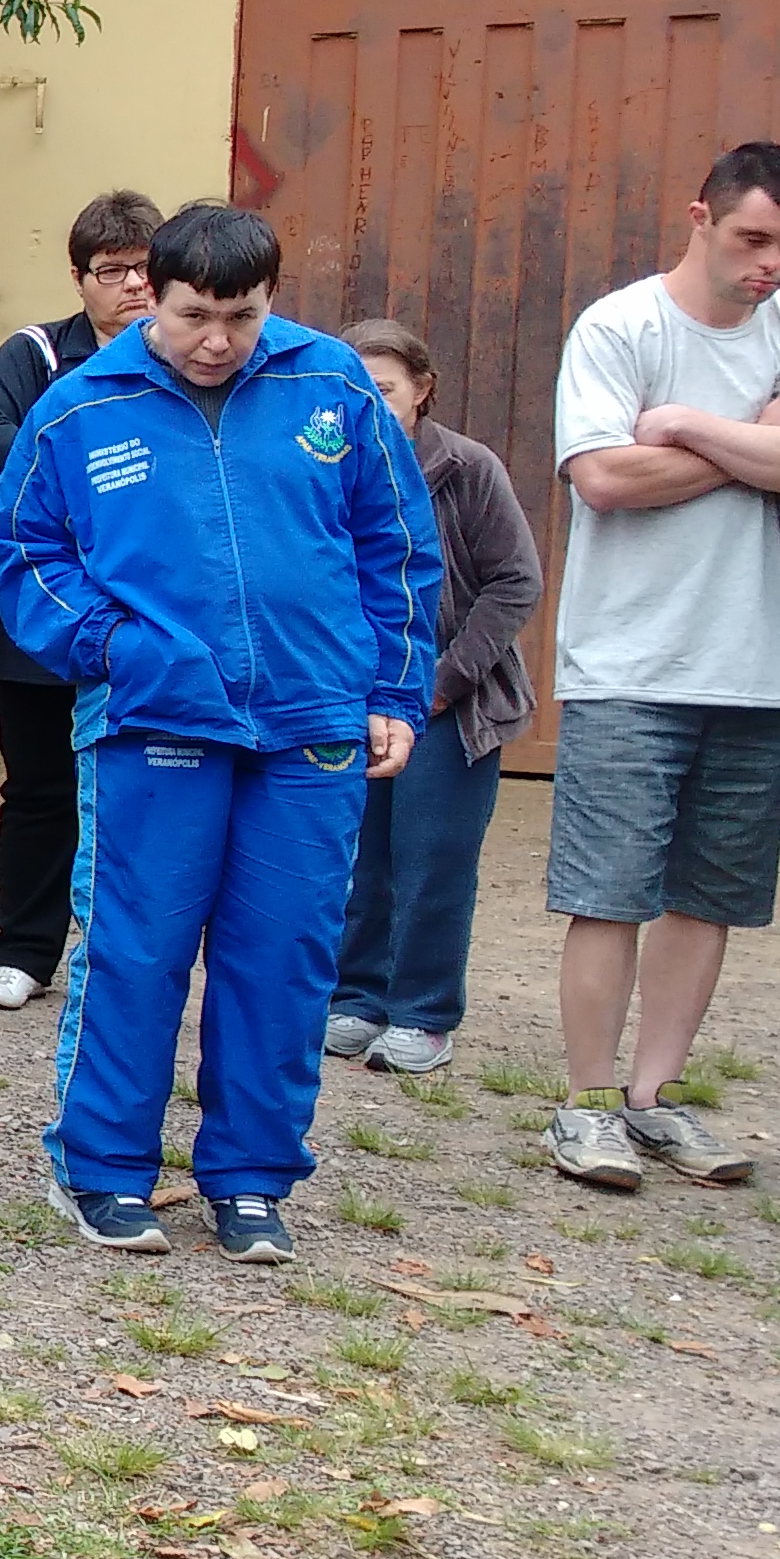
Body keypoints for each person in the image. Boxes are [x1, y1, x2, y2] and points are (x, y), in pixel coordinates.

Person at [0, 204, 433, 1263]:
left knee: (280, 959)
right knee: (134, 953)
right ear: (148, 294)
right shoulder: (77, 406)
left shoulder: (328, 385)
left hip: (310, 723)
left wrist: (391, 691)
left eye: (240, 315)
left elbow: (398, 547)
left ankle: (248, 1181)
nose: (215, 341)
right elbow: (18, 549)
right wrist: (108, 646)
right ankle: (100, 1172)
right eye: (193, 316)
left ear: (269, 298)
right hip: (151, 721)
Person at [536, 142, 780, 1190]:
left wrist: (692, 431)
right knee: (606, 891)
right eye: (752, 238)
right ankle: (582, 1103)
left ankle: (654, 1100)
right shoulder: (621, 326)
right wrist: (752, 439)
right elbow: (606, 478)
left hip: (755, 663)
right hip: (628, 661)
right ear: (698, 215)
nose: (770, 265)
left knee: (707, 896)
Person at [0, 191, 164, 1010]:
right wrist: (100, 473)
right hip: (35, 608)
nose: (133, 287)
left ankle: (123, 958)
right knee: (40, 783)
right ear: (80, 279)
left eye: (147, 269)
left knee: (144, 782)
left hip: (147, 610)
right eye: (112, 271)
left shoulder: (188, 356)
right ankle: (23, 949)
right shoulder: (36, 355)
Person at [323, 319, 540, 1075]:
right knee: (360, 858)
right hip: (352, 698)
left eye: (385, 390)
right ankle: (355, 998)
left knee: (432, 858)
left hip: (454, 702)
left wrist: (440, 683)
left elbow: (517, 582)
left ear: (422, 392)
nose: (373, 405)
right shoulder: (329, 468)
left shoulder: (467, 468)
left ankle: (423, 1014)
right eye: (359, 390)